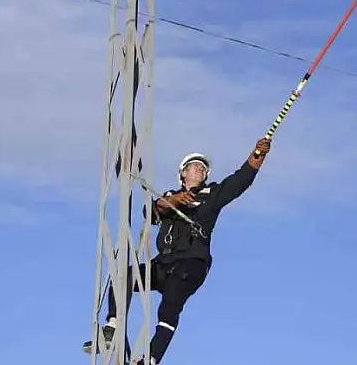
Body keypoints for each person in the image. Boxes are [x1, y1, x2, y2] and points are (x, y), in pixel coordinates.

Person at [83, 136, 273, 365]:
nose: (200, 169)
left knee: (170, 305)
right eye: (194, 166)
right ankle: (112, 326)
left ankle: (151, 359)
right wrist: (174, 201)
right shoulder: (169, 198)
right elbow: (150, 212)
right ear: (182, 174)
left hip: (190, 263)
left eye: (203, 168)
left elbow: (240, 181)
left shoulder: (211, 195)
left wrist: (258, 155)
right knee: (124, 274)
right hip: (164, 263)